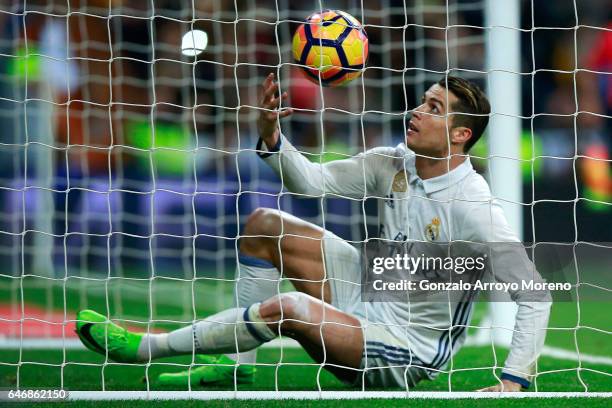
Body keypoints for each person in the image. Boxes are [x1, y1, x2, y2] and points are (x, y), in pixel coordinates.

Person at [75, 73, 551, 391]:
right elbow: (310, 181)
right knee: (265, 225)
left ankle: (145, 348)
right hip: (366, 298)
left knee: (290, 307)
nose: (417, 111)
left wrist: (514, 379)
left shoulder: (474, 205)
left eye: (433, 107)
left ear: (459, 134)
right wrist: (271, 136)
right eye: (422, 101)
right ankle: (235, 369)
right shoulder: (392, 163)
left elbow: (535, 294)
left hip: (407, 350)